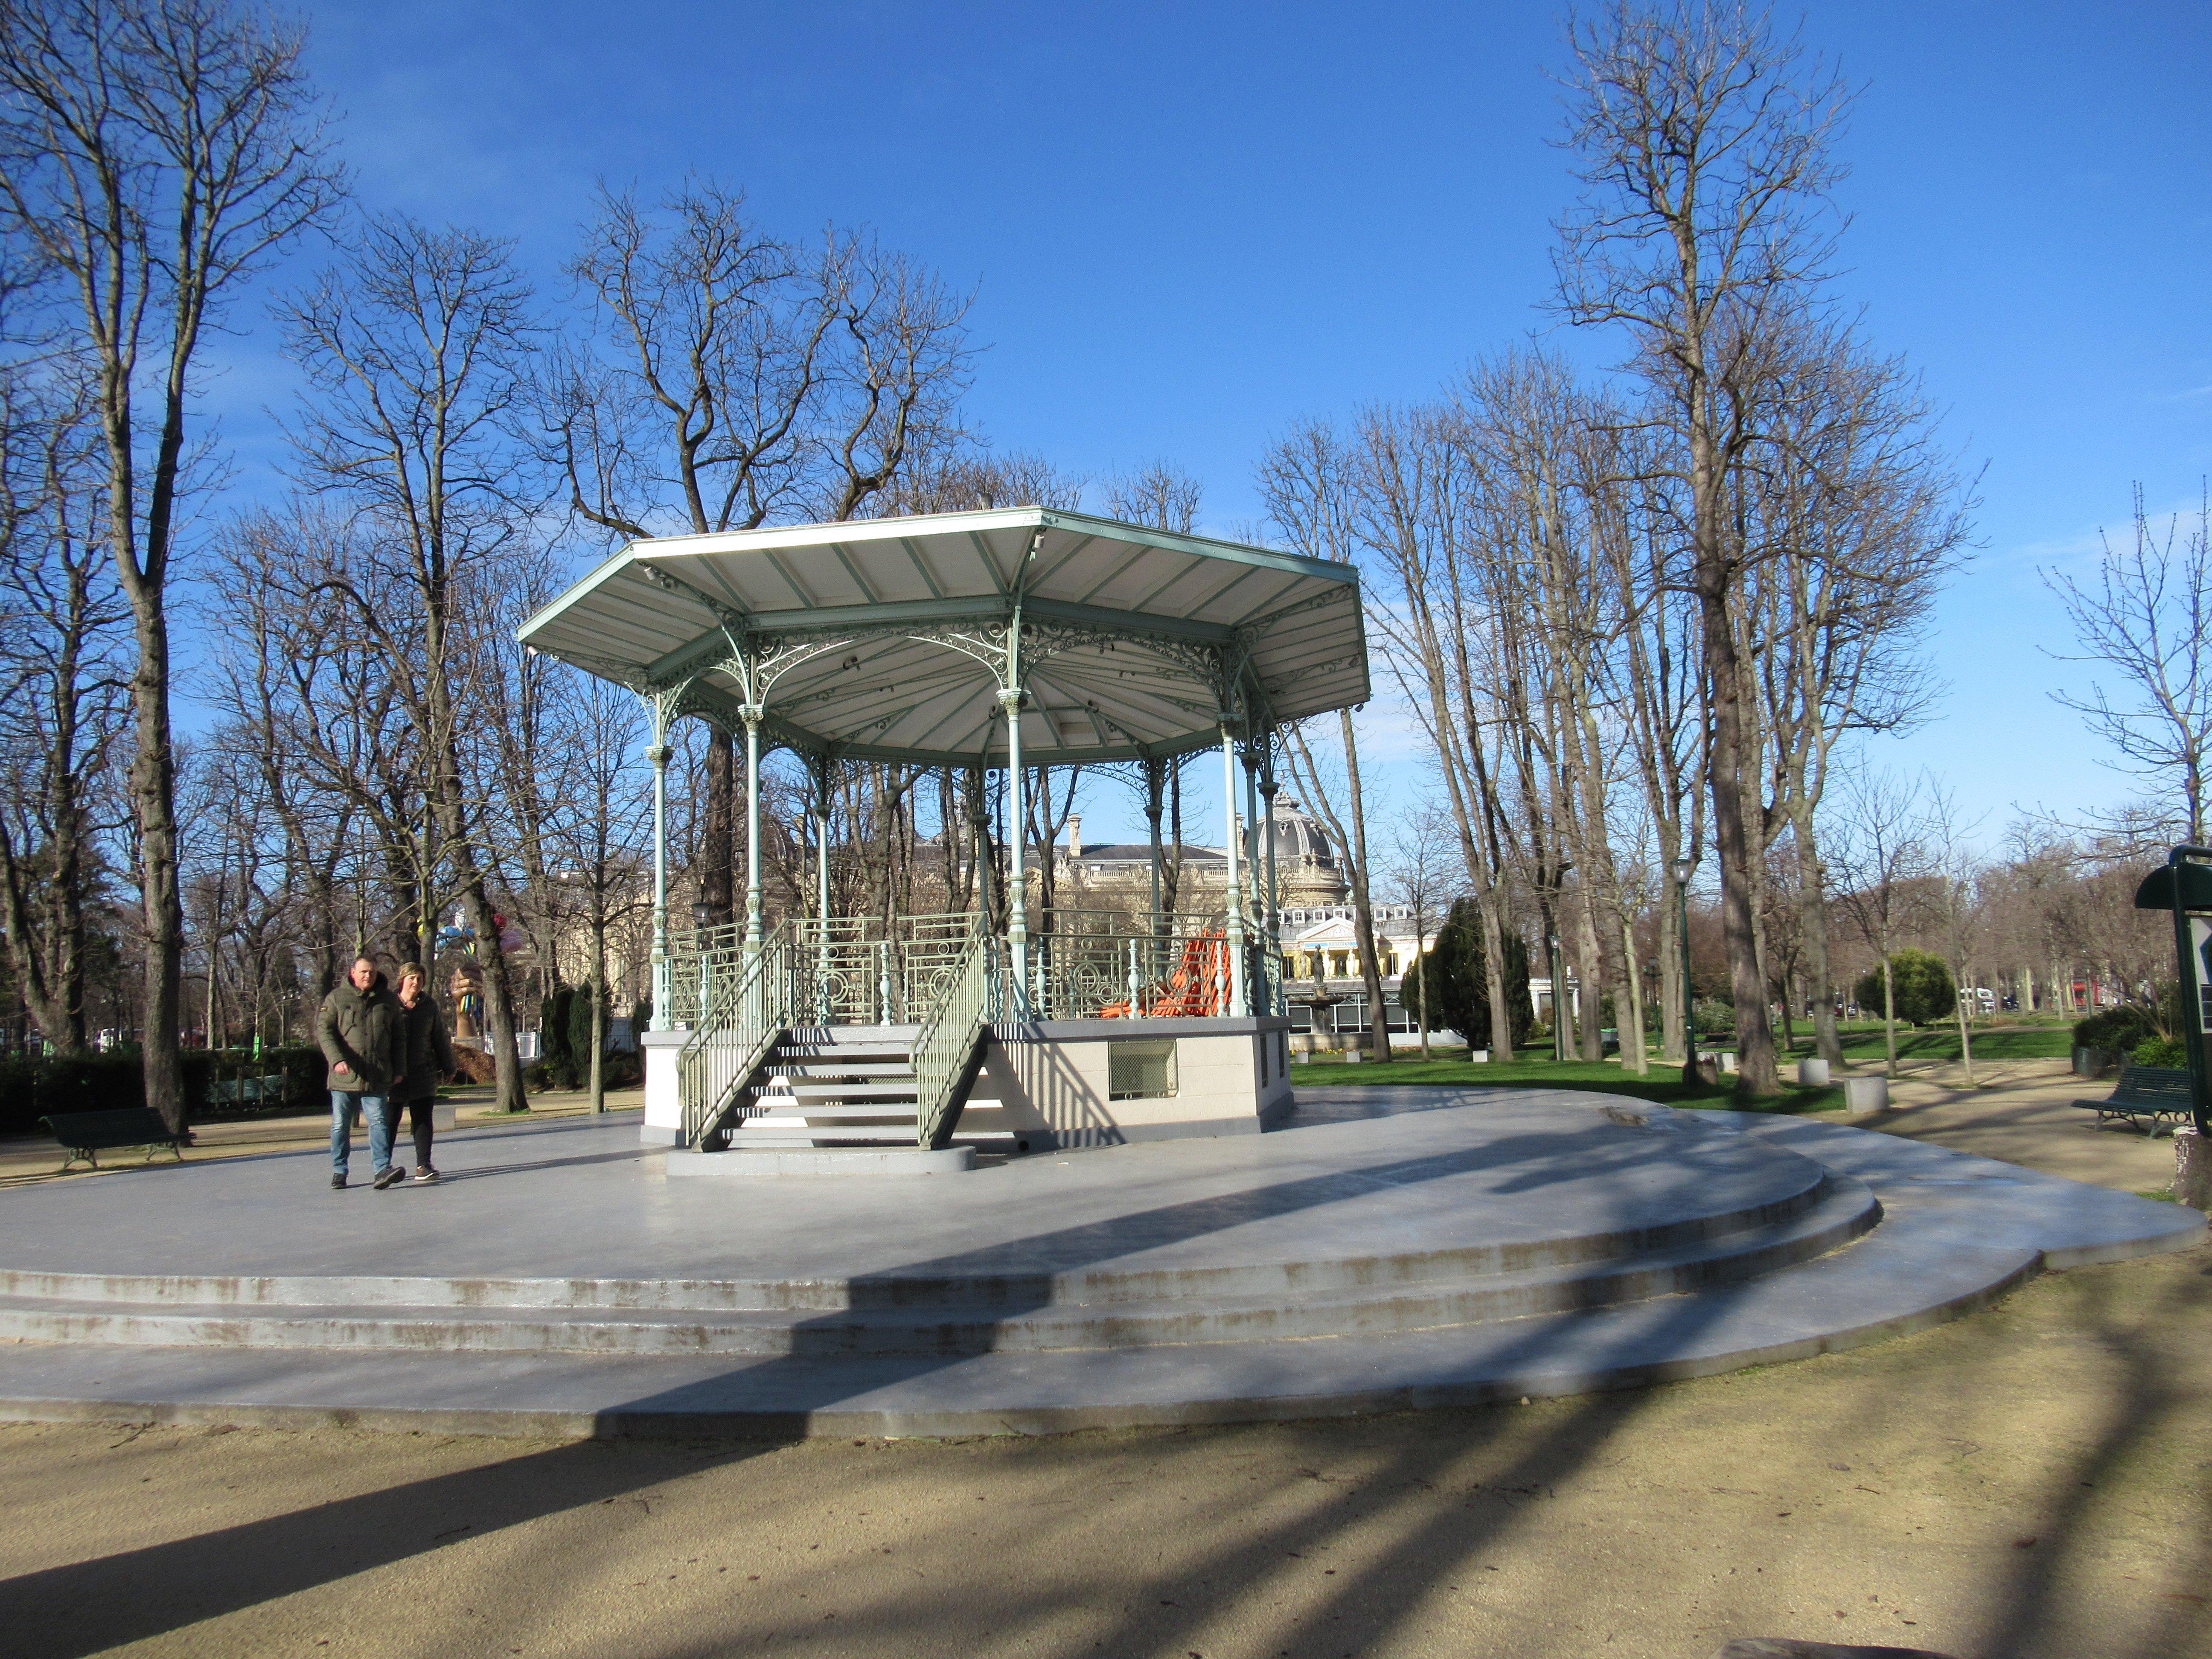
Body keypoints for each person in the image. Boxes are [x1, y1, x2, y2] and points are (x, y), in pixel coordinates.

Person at [318, 955, 405, 1190]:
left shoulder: (388, 1000)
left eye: (372, 972)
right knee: (341, 1125)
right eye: (364, 972)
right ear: (353, 973)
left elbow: (399, 1037)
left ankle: (382, 1170)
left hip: (377, 1073)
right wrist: (337, 1060)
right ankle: (339, 1171)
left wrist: (400, 1068)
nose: (368, 976)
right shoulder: (337, 998)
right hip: (345, 1076)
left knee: (379, 1122)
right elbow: (324, 1031)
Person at [393, 962, 457, 1183]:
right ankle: (383, 1166)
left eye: (420, 979)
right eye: (411, 978)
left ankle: (424, 1165)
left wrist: (449, 1066)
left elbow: (440, 1038)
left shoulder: (429, 1006)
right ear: (402, 980)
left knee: (422, 1120)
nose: (416, 983)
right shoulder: (389, 1004)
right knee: (389, 1121)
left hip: (423, 1071)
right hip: (394, 1073)